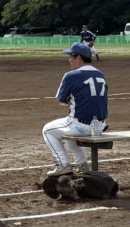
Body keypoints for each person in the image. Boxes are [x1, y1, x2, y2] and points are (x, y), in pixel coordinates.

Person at [43, 42, 107, 176]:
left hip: (81, 126)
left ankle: (63, 165)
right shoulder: (100, 74)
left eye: (71, 56)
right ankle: (83, 165)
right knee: (69, 133)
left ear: (79, 58)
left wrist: (71, 100)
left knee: (48, 130)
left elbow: (61, 101)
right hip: (99, 126)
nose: (69, 59)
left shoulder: (71, 75)